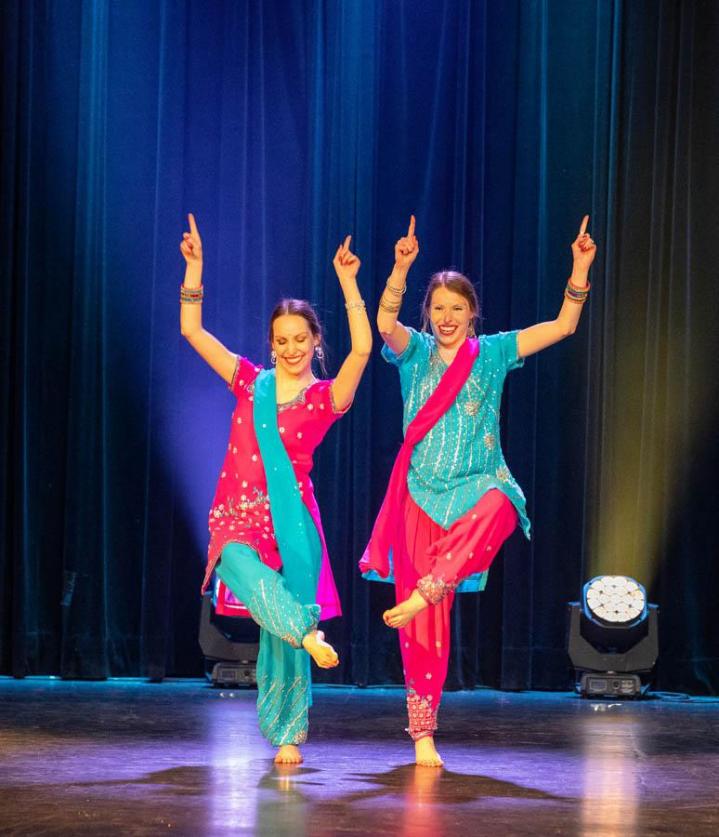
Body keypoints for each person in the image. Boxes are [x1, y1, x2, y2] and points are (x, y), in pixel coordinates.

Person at [361, 215, 596, 766]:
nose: (447, 318)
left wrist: (580, 268)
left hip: (477, 483)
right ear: (429, 314)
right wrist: (400, 268)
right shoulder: (413, 353)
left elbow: (563, 326)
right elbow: (385, 322)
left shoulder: (492, 352)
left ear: (473, 313)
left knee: (504, 504)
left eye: (457, 308)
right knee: (423, 632)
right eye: (438, 308)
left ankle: (432, 585)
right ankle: (423, 734)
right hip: (421, 493)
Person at [180, 214, 371, 764]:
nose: (290, 349)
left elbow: (361, 351)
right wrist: (195, 268)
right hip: (237, 517)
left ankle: (288, 731)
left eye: (300, 339)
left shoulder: (324, 399)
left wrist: (349, 283)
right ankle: (305, 631)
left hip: (292, 524)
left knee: (277, 626)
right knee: (238, 566)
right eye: (281, 340)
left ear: (315, 341)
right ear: (271, 344)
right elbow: (193, 332)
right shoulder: (250, 383)